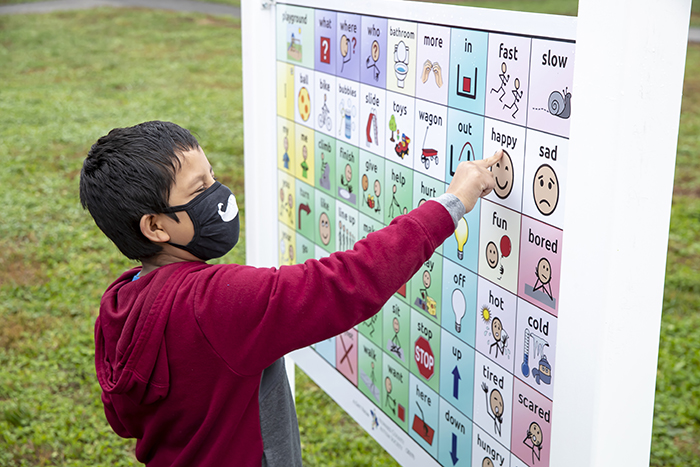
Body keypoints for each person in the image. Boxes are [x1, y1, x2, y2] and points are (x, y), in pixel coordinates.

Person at [79, 121, 501, 466]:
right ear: (155, 227)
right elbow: (348, 281)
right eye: (199, 190)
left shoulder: (118, 304)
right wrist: (452, 203)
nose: (220, 195)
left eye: (213, 176)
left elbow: (123, 419)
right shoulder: (215, 303)